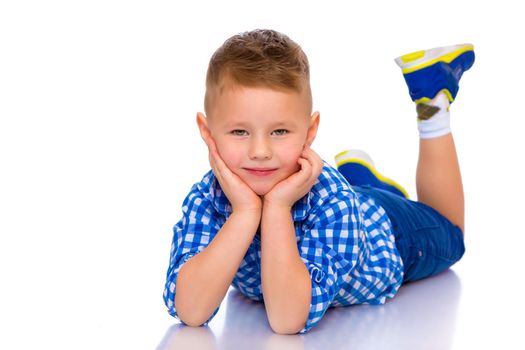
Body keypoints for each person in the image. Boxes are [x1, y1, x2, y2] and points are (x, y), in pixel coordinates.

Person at [163, 29, 473, 335]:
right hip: (353, 200)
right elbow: (191, 310)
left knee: (452, 235)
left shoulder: (333, 202)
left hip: (394, 234)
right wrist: (245, 212)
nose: (260, 152)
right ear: (208, 131)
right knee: (353, 192)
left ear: (310, 132)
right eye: (240, 132)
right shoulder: (207, 196)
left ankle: (433, 102)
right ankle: (360, 176)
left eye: (280, 132)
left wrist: (277, 207)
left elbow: (286, 320)